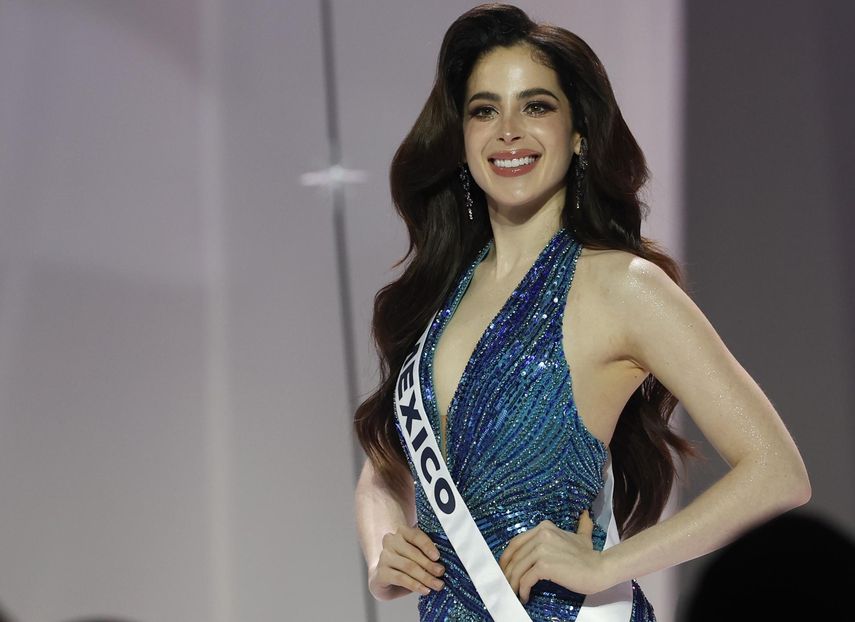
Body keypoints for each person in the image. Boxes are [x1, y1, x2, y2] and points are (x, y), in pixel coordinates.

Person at [353, 4, 810, 621]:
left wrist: (607, 565)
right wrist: (382, 548)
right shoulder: (441, 292)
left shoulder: (622, 286)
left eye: (536, 107)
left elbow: (778, 472)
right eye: (485, 110)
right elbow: (386, 459)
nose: (508, 131)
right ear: (461, 139)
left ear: (579, 134)